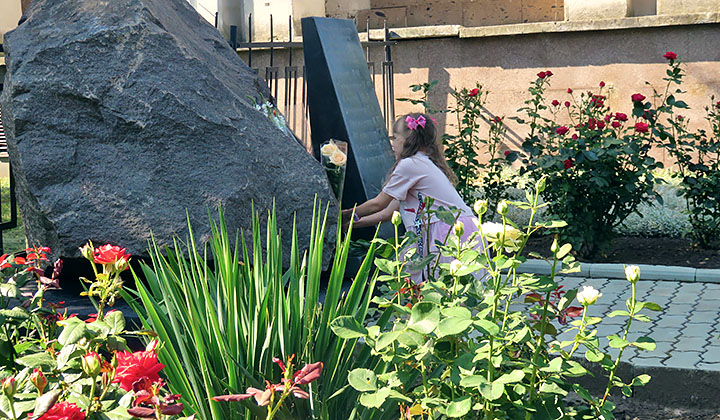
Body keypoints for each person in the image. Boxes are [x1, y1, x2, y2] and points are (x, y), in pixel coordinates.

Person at [342, 113, 482, 282]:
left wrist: (342, 214)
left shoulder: (410, 165)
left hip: (447, 233)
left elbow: (378, 204)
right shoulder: (423, 162)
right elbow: (388, 213)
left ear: (407, 139)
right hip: (461, 229)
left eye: (395, 138)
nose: (393, 143)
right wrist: (350, 225)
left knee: (441, 287)